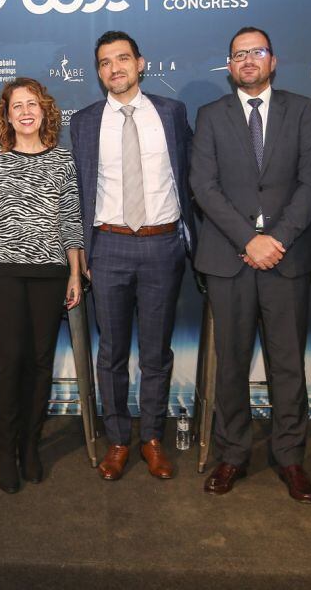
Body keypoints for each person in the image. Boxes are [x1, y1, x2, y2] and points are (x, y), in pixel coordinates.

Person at [191, 27, 311, 502]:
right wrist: (249, 239)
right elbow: (203, 186)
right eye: (239, 54)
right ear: (229, 66)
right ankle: (233, 455)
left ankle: (290, 458)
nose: (248, 60)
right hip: (230, 258)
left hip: (286, 258)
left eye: (257, 52)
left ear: (273, 61)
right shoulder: (210, 116)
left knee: (287, 364)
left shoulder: (303, 110)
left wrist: (276, 240)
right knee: (232, 365)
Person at [69, 30, 196, 481]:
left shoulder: (172, 113)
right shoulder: (83, 122)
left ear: (141, 63)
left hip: (163, 244)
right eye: (105, 62)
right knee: (112, 352)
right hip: (109, 245)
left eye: (123, 59)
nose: (115, 68)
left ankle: (153, 438)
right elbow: (78, 193)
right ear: (98, 70)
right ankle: (119, 439)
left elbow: (191, 174)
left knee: (156, 353)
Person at [0, 78, 83, 494]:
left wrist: (73, 272)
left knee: (39, 361)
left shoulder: (62, 160)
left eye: (32, 104)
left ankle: (30, 446)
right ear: (7, 114)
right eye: (18, 106)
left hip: (49, 272)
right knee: (9, 359)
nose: (26, 111)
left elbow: (71, 221)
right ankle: (5, 451)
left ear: (45, 110)